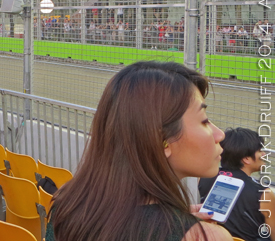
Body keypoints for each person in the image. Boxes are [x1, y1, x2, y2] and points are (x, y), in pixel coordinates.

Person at [48, 61, 231, 241]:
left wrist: (175, 218)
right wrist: (180, 225)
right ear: (162, 141)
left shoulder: (66, 203)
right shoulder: (204, 236)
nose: (219, 134)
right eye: (205, 121)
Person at [199, 128, 275, 241]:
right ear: (246, 159)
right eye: (260, 150)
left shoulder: (202, 177)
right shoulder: (264, 194)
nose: (264, 154)